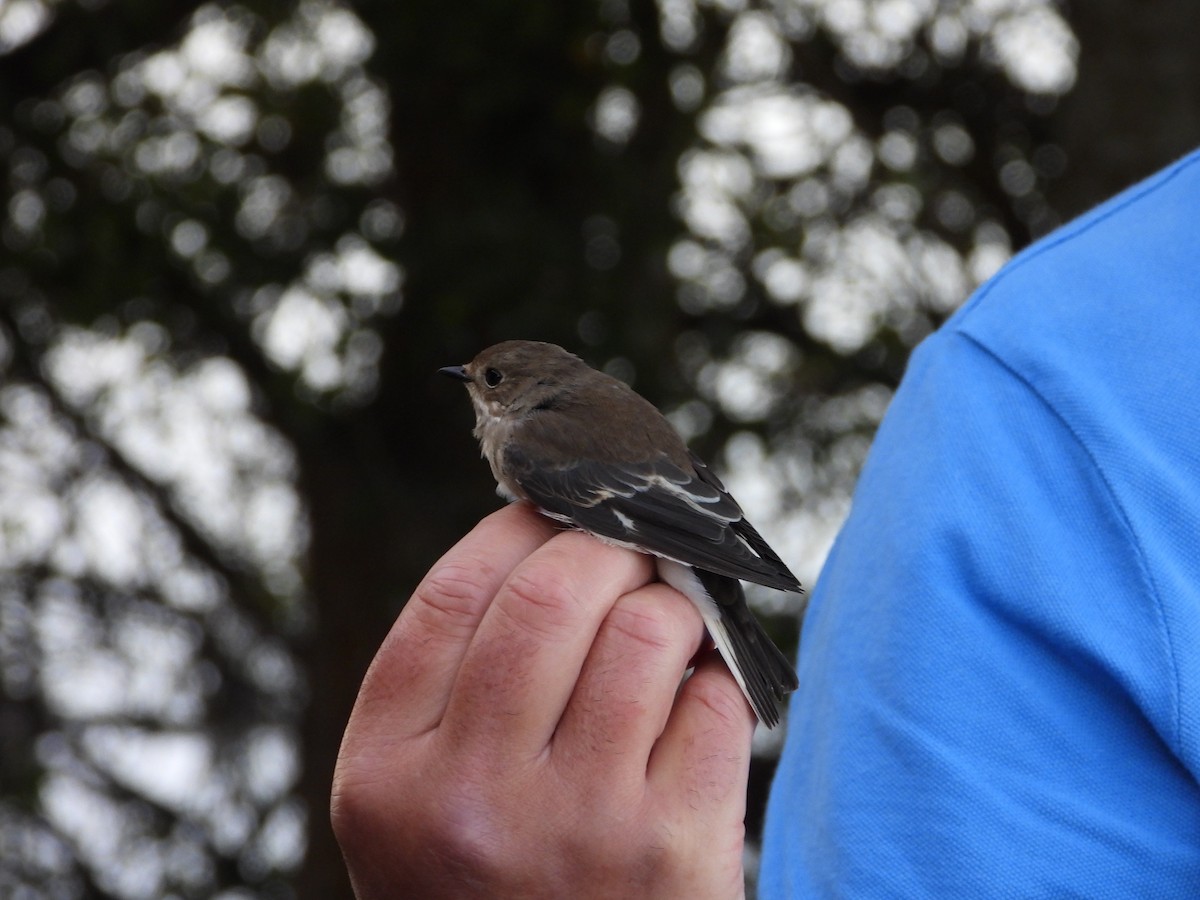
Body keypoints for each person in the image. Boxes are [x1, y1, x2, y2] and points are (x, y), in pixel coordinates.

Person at [331, 147, 1200, 897]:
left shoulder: (535, 444)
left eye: (489, 380)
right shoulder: (590, 418)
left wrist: (719, 559)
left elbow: (646, 513)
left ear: (522, 390)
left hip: (671, 533)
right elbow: (684, 493)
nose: (478, 389)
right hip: (691, 523)